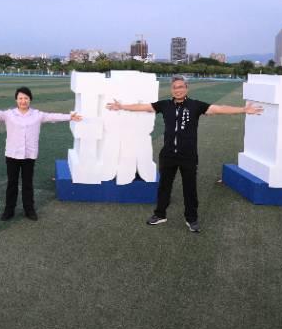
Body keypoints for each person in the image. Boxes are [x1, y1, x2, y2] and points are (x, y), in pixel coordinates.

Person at [106, 75, 262, 233]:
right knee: (164, 187)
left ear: (186, 88)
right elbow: (144, 107)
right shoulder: (165, 105)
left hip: (188, 156)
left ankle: (191, 219)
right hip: (167, 155)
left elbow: (219, 109)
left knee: (190, 188)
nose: (178, 90)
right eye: (175, 87)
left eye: (181, 87)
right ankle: (160, 214)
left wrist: (243, 109)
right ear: (171, 90)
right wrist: (122, 106)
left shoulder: (195, 105)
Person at [0, 87, 82, 221]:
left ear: (30, 100)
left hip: (29, 154)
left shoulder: (37, 115)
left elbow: (52, 116)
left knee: (28, 183)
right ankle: (9, 210)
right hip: (12, 154)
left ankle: (29, 210)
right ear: (16, 100)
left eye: (26, 98)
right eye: (20, 98)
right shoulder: (9, 114)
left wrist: (70, 117)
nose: (23, 101)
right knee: (12, 183)